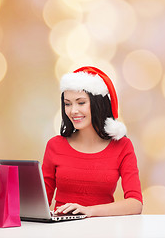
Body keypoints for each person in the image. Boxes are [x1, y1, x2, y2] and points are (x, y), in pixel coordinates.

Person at [42, 66, 143, 218]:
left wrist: (89, 211)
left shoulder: (122, 146)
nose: (73, 110)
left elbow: (135, 203)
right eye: (68, 104)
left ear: (98, 104)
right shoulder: (55, 145)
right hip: (62, 230)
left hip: (103, 229)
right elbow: (41, 202)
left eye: (81, 103)